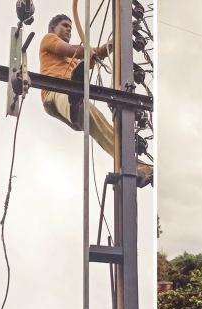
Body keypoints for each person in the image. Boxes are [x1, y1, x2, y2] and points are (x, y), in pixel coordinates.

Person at [39, 14, 152, 187]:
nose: (69, 28)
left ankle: (139, 169)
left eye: (70, 26)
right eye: (64, 25)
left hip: (70, 94)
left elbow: (96, 54)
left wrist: (116, 40)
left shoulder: (74, 58)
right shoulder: (49, 39)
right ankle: (76, 103)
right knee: (82, 105)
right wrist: (87, 54)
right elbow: (73, 50)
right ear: (53, 29)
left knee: (100, 124)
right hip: (54, 93)